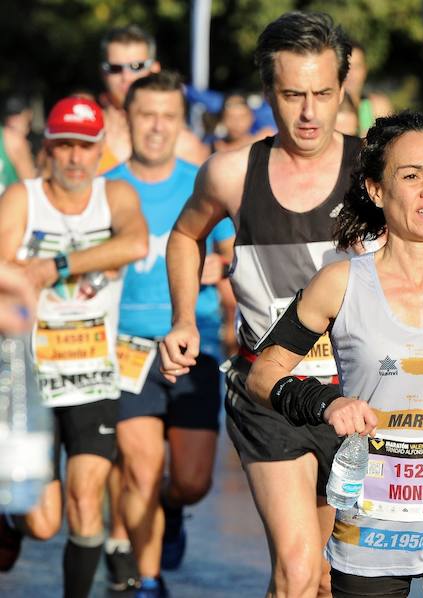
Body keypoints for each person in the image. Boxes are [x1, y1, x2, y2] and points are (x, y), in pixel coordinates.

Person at [246, 110, 423, 598]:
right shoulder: (340, 284)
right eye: (411, 175)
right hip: (371, 528)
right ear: (377, 191)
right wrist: (326, 403)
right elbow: (263, 373)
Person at [157, 11, 362, 597]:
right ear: (269, 91)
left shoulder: (375, 170)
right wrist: (181, 318)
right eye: (292, 94)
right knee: (297, 572)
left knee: (329, 578)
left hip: (356, 397)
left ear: (341, 90)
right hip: (267, 391)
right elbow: (184, 236)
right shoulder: (229, 173)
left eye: (323, 93)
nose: (308, 112)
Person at [0, 97, 148, 597]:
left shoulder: (116, 195)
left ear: (100, 149)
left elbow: (134, 244)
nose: (74, 158)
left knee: (87, 499)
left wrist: (55, 267)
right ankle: (8, 516)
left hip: (92, 374)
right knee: (43, 523)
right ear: (48, 148)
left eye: (85, 147)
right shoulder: (24, 198)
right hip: (30, 377)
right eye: (64, 145)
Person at [99, 71, 236, 597]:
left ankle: (171, 510)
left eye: (168, 117)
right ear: (126, 118)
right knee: (139, 467)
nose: (156, 127)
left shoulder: (200, 182)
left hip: (193, 344)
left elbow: (229, 256)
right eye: (145, 115)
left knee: (192, 481)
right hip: (127, 349)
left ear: (181, 122)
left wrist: (215, 271)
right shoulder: (105, 185)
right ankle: (148, 580)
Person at [97, 25, 209, 172]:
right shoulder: (84, 134)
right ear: (102, 72)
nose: (126, 76)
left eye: (136, 66)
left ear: (154, 69)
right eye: (115, 68)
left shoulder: (184, 145)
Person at [345, 39, 394, 136]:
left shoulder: (378, 108)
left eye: (357, 67)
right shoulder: (325, 109)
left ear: (365, 70)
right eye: (347, 67)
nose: (351, 74)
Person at [0, 100, 36, 194]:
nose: (13, 120)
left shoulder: (14, 142)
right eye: (10, 115)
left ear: (29, 115)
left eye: (17, 115)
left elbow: (31, 189)